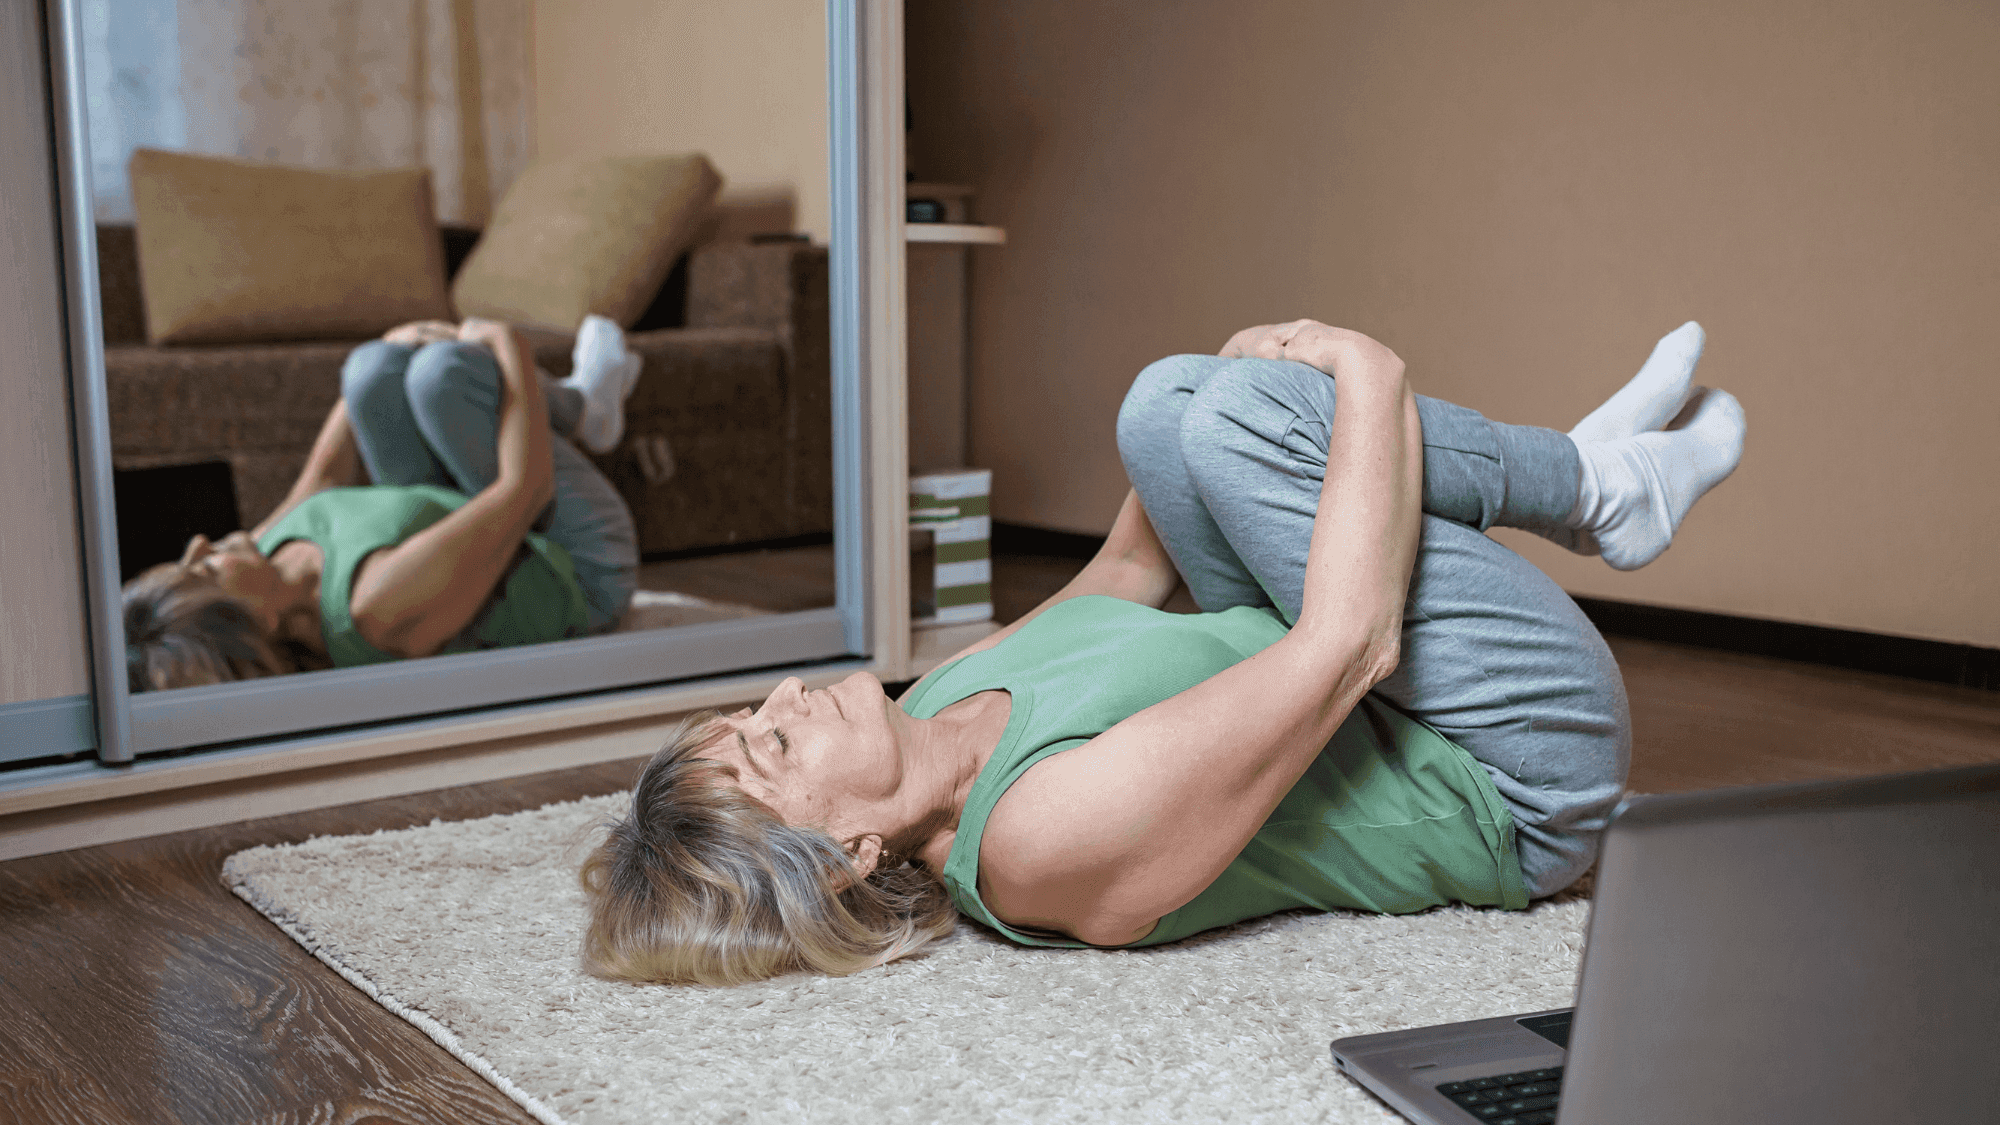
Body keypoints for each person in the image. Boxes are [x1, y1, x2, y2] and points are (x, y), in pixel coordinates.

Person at [578, 319, 1746, 986]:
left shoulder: (933, 708)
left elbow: (1123, 579)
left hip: (1362, 691)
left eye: (751, 710)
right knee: (1247, 415)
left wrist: (1212, 395)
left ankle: (1586, 479)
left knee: (1174, 401)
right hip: (1506, 770)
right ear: (842, 853)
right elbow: (1351, 645)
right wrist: (1362, 375)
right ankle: (1590, 483)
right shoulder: (1037, 842)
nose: (785, 692)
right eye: (775, 738)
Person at [121, 315, 643, 692]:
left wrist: (389, 349)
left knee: (374, 368)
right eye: (207, 571)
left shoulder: (264, 558)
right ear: (263, 622)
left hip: (481, 517)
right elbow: (525, 491)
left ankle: (567, 400)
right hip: (578, 562)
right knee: (446, 375)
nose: (200, 544)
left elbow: (322, 476)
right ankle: (583, 406)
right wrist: (509, 345)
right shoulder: (375, 607)